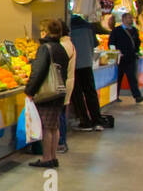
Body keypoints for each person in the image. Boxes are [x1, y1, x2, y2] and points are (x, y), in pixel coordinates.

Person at [24, 18, 70, 169]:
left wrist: (30, 90)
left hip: (47, 93)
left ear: (46, 31)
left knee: (46, 127)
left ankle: (46, 158)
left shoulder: (45, 48)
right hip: (59, 91)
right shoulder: (61, 48)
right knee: (54, 126)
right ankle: (53, 157)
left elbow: (39, 71)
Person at [68, 12, 109, 130]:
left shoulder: (68, 27)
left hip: (74, 65)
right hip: (87, 63)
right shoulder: (87, 26)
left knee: (77, 94)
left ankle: (84, 121)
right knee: (90, 92)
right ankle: (97, 119)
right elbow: (95, 44)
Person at [109, 11, 143, 102]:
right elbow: (111, 42)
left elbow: (137, 42)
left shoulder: (134, 30)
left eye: (131, 18)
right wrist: (115, 53)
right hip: (120, 58)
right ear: (123, 19)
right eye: (129, 18)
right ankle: (115, 97)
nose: (131, 20)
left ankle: (137, 96)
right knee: (118, 78)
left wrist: (136, 51)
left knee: (132, 77)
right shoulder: (117, 30)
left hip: (131, 58)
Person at [57, 19, 75, 154]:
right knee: (61, 112)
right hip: (67, 81)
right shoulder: (69, 43)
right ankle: (61, 141)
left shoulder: (64, 46)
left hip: (63, 83)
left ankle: (61, 142)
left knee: (60, 114)